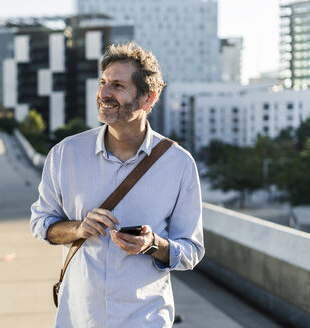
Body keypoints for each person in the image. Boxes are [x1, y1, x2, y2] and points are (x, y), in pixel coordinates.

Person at [30, 41, 204, 327]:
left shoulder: (179, 164)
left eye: (118, 86)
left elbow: (192, 251)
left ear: (149, 98)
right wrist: (78, 228)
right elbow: (41, 223)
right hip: (79, 317)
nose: (104, 93)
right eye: (103, 83)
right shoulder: (65, 154)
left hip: (145, 319)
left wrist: (152, 244)